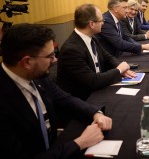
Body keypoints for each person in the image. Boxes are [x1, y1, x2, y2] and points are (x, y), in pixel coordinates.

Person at [0, 23, 112, 158]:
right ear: (27, 62)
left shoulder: (37, 76)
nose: (54, 60)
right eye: (50, 56)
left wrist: (96, 114)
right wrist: (80, 142)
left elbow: (66, 99)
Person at [57, 3, 136, 100]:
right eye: (101, 20)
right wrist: (118, 70)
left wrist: (120, 67)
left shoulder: (92, 37)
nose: (103, 23)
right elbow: (92, 81)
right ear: (91, 24)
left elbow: (107, 57)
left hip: (99, 87)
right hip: (85, 98)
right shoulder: (71, 50)